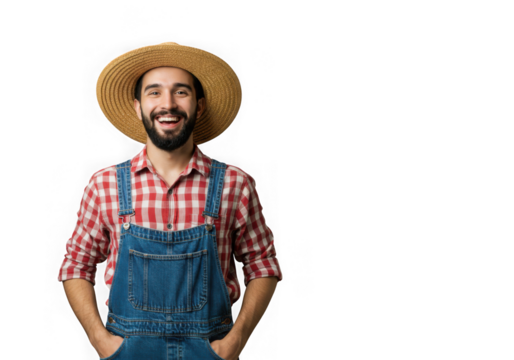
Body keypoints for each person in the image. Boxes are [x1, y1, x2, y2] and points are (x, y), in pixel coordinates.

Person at [57, 41, 283, 360]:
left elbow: (263, 264)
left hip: (211, 349)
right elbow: (76, 265)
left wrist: (237, 340)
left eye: (181, 92)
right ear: (137, 106)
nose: (168, 104)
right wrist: (99, 340)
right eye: (154, 92)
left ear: (199, 106)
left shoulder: (236, 183)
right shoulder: (103, 184)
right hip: (127, 351)